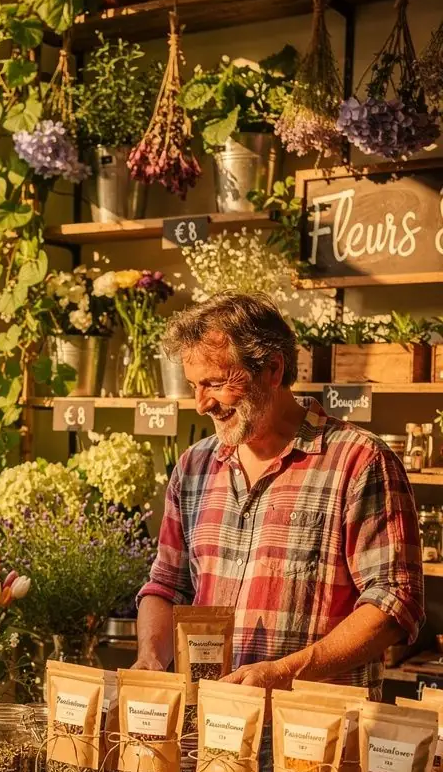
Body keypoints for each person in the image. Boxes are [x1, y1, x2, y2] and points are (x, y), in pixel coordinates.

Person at [136, 293, 423, 693]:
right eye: (193, 386)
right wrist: (150, 658)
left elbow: (394, 603)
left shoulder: (358, 461)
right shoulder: (194, 467)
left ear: (273, 369)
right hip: (214, 732)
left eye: (215, 383)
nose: (201, 404)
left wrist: (285, 674)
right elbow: (167, 587)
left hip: (315, 737)